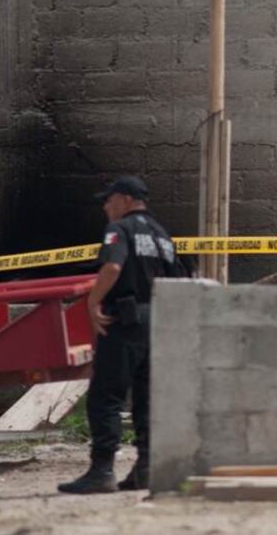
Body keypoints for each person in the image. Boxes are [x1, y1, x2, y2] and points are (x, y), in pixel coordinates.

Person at [58, 175, 183, 494]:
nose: (105, 206)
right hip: (159, 319)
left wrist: (93, 300)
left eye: (109, 200)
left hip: (125, 321)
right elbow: (179, 278)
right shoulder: (162, 235)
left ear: (126, 199)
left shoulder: (120, 229)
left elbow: (112, 267)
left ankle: (101, 471)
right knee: (146, 397)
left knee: (105, 396)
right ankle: (145, 469)